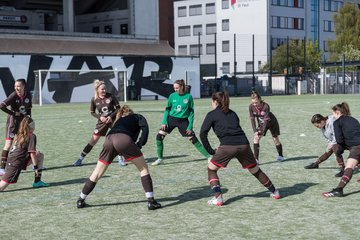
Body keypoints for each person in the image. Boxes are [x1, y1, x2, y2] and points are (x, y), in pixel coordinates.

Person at [200, 91, 281, 206]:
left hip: (227, 147)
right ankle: (275, 192)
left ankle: (218, 198)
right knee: (255, 170)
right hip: (244, 145)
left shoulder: (211, 114)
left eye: (212, 101)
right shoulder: (233, 113)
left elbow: (203, 134)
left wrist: (211, 151)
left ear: (216, 102)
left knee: (211, 169)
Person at [76, 105, 161, 210]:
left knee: (97, 173)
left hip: (109, 139)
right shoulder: (137, 116)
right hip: (123, 138)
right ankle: (151, 201)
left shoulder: (118, 121)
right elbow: (145, 129)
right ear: (131, 112)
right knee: (143, 169)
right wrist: (140, 144)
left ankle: (80, 199)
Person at [152, 79, 211, 165]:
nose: (175, 90)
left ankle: (209, 157)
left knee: (193, 139)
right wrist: (164, 121)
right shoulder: (172, 96)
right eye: (174, 88)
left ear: (182, 87)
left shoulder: (188, 97)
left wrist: (190, 126)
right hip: (171, 119)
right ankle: (160, 159)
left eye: (176, 88)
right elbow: (167, 109)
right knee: (159, 137)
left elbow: (191, 113)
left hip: (183, 121)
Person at [74, 79, 125, 166]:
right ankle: (80, 158)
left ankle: (120, 159)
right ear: (97, 89)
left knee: (117, 140)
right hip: (102, 122)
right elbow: (92, 112)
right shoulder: (94, 99)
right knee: (93, 141)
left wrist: (110, 116)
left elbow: (118, 108)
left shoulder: (111, 96)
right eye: (102, 89)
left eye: (105, 89)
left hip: (112, 121)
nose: (104, 90)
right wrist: (100, 117)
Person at [0, 116, 48, 191]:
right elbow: (32, 154)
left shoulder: (20, 134)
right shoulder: (32, 136)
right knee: (1, 188)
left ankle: (37, 181)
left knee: (40, 155)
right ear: (31, 126)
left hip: (14, 160)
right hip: (16, 164)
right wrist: (35, 168)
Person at [323, 102, 360, 197]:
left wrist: (340, 150)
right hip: (356, 145)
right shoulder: (354, 119)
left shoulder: (337, 122)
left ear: (338, 112)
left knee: (349, 167)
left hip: (357, 146)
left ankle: (339, 189)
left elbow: (339, 140)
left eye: (333, 113)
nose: (332, 115)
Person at [0, 78, 32, 176]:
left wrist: (29, 120)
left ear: (23, 86)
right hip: (12, 124)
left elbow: (29, 109)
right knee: (8, 144)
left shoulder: (28, 95)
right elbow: (1, 106)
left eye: (18, 86)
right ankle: (1, 168)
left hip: (23, 124)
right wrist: (14, 113)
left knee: (25, 143)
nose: (16, 88)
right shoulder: (13, 95)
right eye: (15, 86)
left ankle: (30, 164)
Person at [249, 90, 284, 164]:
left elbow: (266, 120)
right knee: (256, 138)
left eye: (256, 102)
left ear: (259, 99)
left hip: (272, 122)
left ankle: (280, 156)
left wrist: (262, 131)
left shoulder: (266, 106)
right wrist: (255, 131)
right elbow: (252, 119)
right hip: (262, 123)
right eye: (253, 103)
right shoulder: (251, 107)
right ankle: (256, 160)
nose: (254, 104)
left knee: (275, 139)